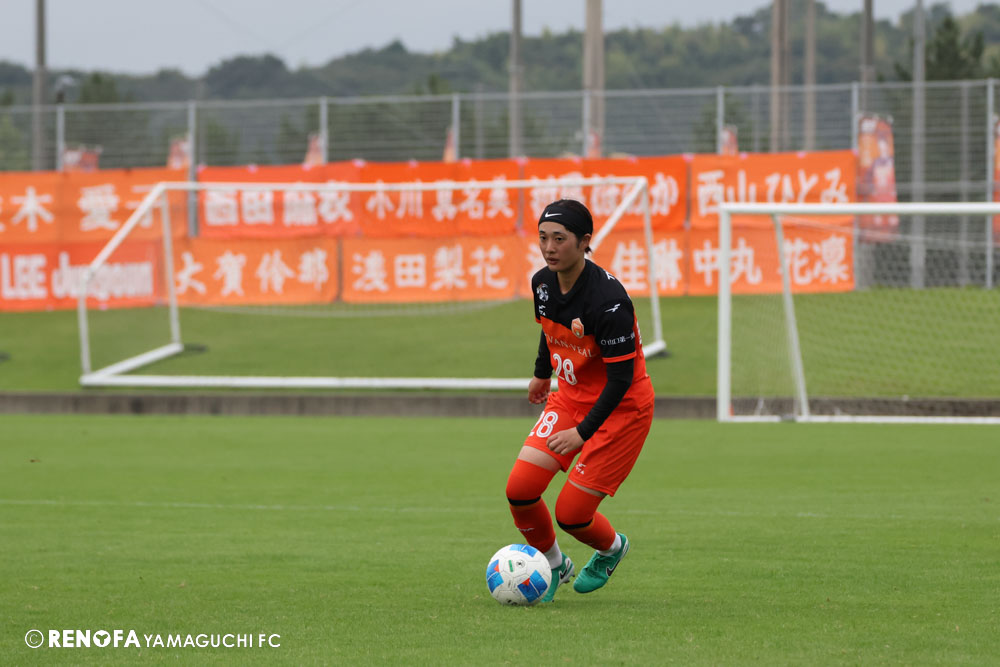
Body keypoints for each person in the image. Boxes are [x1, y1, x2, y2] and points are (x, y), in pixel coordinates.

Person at [505, 198, 655, 603]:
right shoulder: (542, 282)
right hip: (570, 399)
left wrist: (582, 433)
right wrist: (542, 373)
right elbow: (548, 328)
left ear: (585, 241)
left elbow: (621, 379)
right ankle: (554, 564)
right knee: (520, 490)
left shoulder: (609, 301)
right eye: (543, 238)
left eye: (559, 239)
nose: (549, 248)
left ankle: (612, 549)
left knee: (571, 515)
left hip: (621, 410)